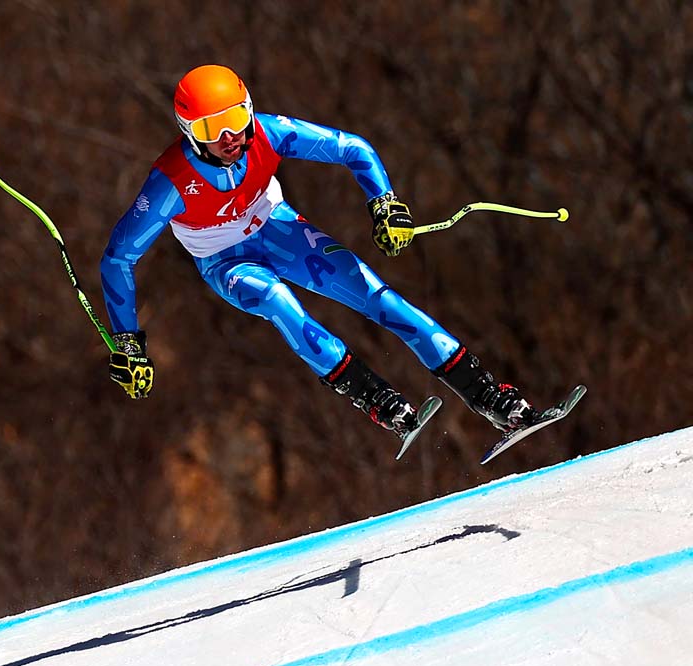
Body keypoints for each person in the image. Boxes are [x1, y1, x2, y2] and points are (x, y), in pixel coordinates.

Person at [101, 64, 541, 438]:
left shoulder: (267, 133)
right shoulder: (171, 182)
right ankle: (378, 401)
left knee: (377, 295)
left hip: (278, 227)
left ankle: (489, 396)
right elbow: (119, 257)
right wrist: (128, 342)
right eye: (211, 129)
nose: (231, 137)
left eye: (236, 117)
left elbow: (354, 149)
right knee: (277, 301)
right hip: (225, 260)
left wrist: (384, 204)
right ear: (188, 132)